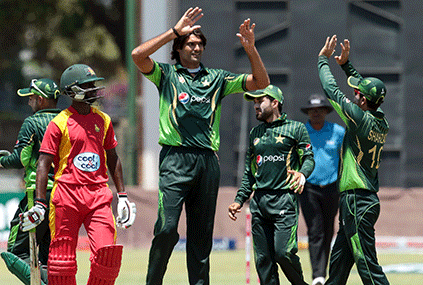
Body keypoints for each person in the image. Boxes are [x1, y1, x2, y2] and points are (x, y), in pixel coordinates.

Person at [131, 6, 270, 285]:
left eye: (199, 44)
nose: (195, 47)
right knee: (167, 229)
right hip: (175, 160)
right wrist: (173, 32)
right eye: (190, 43)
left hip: (207, 162)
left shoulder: (217, 79)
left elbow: (261, 82)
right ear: (179, 48)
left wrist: (251, 49)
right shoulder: (166, 75)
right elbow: (137, 55)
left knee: (201, 238)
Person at [19, 64, 137, 285]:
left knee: (107, 257)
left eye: (93, 84)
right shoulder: (59, 123)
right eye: (87, 85)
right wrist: (40, 203)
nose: (93, 89)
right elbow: (43, 164)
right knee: (61, 263)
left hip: (98, 196)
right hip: (66, 196)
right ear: (72, 91)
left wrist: (123, 196)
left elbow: (113, 158)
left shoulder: (103, 120)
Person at [318, 35, 390, 285]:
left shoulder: (359, 119)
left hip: (358, 201)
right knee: (338, 268)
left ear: (362, 100)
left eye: (358, 94)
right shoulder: (381, 120)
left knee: (368, 267)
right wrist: (346, 66)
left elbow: (332, 91)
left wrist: (323, 61)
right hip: (359, 201)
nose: (355, 95)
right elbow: (368, 89)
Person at [228, 85, 314, 285]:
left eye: (260, 101)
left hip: (284, 200)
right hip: (259, 202)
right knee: (263, 260)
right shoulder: (255, 132)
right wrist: (239, 199)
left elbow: (309, 158)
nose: (256, 106)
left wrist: (302, 173)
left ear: (275, 103)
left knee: (283, 253)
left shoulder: (296, 128)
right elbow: (251, 171)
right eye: (254, 102)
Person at [0, 78, 61, 285]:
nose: (28, 102)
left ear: (41, 100)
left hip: (38, 194)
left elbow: (20, 158)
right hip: (63, 195)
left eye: (31, 98)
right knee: (48, 258)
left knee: (15, 252)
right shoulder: (67, 120)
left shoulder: (32, 122)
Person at [299, 94, 345, 285]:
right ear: (308, 112)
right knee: (315, 230)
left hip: (332, 186)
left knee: (328, 229)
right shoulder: (301, 132)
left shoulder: (338, 132)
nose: (316, 113)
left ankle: (322, 270)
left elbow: (346, 158)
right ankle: (318, 275)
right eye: (312, 110)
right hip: (308, 187)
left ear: (326, 112)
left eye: (319, 110)